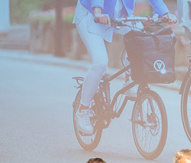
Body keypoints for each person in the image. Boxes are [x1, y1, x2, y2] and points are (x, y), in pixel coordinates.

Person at [73, 1, 173, 135]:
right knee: (100, 63)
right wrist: (97, 11)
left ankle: (129, 79)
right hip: (90, 15)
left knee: (141, 37)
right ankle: (83, 111)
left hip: (117, 16)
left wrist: (164, 13)